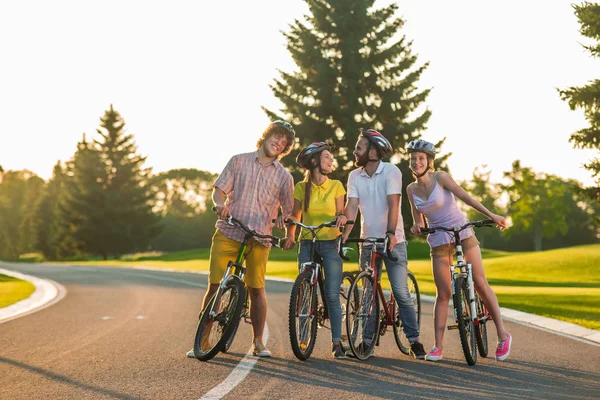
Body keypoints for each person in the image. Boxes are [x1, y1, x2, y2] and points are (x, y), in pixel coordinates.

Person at [186, 120, 296, 359]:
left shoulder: (284, 177)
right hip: (229, 231)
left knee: (256, 289)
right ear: (266, 137)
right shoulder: (238, 161)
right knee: (215, 286)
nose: (278, 144)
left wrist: (286, 228)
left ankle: (258, 342)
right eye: (276, 138)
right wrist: (219, 205)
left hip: (259, 238)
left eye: (283, 143)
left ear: (284, 150)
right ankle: (202, 340)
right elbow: (219, 190)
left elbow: (289, 211)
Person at [405, 139, 512, 362]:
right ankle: (438, 347)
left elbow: (466, 198)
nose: (417, 162)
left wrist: (492, 216)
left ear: (429, 161)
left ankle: (503, 336)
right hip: (438, 238)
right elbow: (418, 219)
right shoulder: (411, 189)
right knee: (443, 293)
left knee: (480, 282)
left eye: (421, 158)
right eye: (413, 159)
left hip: (462, 231)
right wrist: (417, 226)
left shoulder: (441, 177)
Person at [341, 128, 426, 360]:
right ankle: (366, 342)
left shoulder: (391, 171)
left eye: (359, 147)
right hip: (368, 241)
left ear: (372, 151)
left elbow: (394, 204)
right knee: (367, 292)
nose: (354, 151)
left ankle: (414, 340)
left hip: (393, 240)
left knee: (399, 291)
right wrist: (345, 234)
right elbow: (351, 207)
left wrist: (390, 233)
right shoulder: (354, 176)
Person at [287, 141, 348, 359]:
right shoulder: (301, 188)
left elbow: (341, 212)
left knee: (331, 294)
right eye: (327, 157)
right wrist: (290, 234)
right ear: (314, 161)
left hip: (330, 243)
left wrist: (341, 217)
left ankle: (337, 342)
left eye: (331, 157)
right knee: (304, 292)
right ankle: (303, 339)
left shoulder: (337, 186)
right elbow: (296, 215)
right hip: (307, 242)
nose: (331, 160)